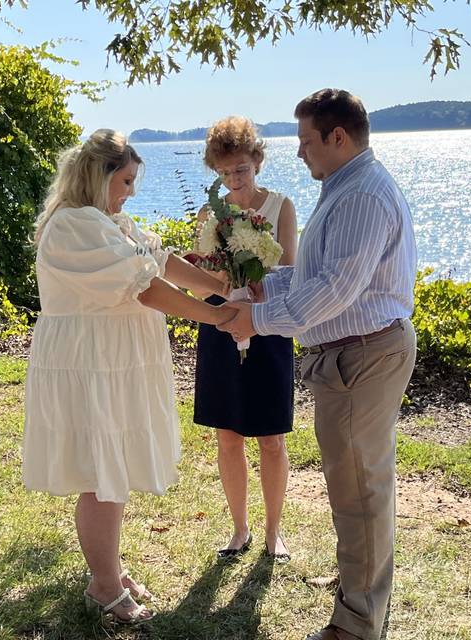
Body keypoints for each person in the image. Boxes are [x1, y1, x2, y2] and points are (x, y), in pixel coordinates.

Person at [218, 89, 417, 640]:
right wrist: (262, 288)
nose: (300, 152)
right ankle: (361, 589)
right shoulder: (345, 187)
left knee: (359, 491)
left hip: (362, 353)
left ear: (338, 137)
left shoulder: (360, 197)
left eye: (307, 140)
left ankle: (355, 625)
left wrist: (254, 321)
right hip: (353, 353)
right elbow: (314, 277)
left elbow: (336, 290)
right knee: (358, 486)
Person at [22, 129, 235, 624]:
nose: (131, 191)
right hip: (90, 362)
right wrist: (219, 317)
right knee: (102, 472)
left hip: (114, 360)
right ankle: (103, 584)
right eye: (125, 180)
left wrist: (220, 285)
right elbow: (145, 288)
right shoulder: (74, 225)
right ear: (98, 176)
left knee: (112, 466)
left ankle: (109, 571)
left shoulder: (111, 223)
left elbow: (161, 264)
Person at [191, 116, 298, 562]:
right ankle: (240, 529)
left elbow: (291, 277)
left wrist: (261, 287)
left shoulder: (280, 207)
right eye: (225, 173)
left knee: (271, 438)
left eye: (242, 169)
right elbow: (201, 285)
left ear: (257, 161)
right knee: (228, 436)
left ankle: (274, 532)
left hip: (267, 326)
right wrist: (211, 271)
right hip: (220, 326)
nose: (234, 180)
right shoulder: (210, 214)